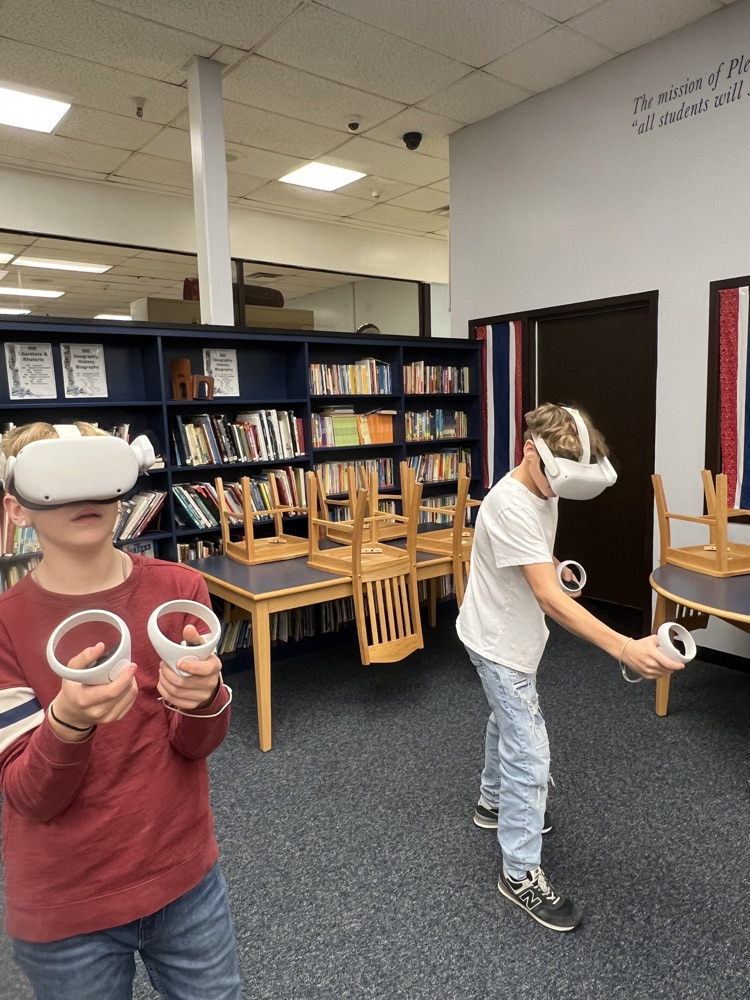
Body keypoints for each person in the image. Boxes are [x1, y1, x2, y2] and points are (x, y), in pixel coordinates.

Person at [0, 421, 243, 999]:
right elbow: (28, 794)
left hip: (186, 880)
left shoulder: (181, 587)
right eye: (60, 478)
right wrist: (68, 724)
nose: (84, 494)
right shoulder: (5, 626)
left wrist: (205, 700)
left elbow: (196, 744)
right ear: (18, 509)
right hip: (66, 906)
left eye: (98, 474)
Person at [456, 403, 685, 933]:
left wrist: (556, 568)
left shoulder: (544, 488)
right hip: (499, 643)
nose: (558, 493)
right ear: (528, 451)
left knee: (503, 722)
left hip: (510, 633)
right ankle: (518, 873)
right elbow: (549, 600)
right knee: (531, 754)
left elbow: (535, 564)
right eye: (555, 481)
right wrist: (626, 648)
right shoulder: (510, 502)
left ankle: (492, 804)